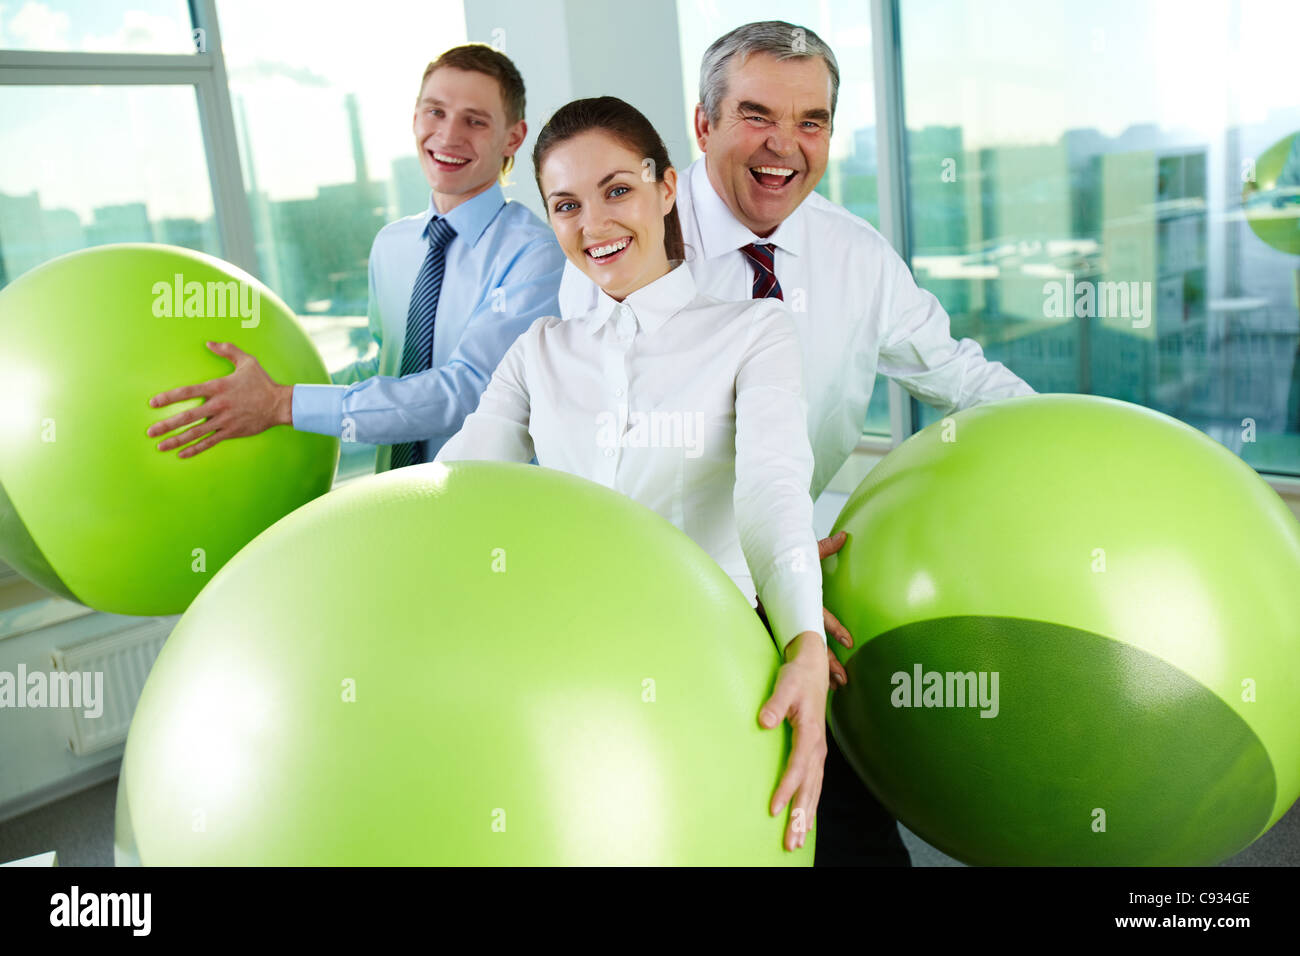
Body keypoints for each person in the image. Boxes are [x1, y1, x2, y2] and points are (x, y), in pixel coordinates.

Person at [557, 21, 1038, 866]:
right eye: (756, 115)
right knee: (693, 819)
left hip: (790, 570)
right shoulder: (620, 247)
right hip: (661, 590)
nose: (784, 145)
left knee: (845, 832)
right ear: (703, 125)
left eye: (810, 121)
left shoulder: (855, 256)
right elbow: (604, 465)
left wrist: (1082, 439)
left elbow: (958, 375)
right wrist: (752, 576)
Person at [435, 96, 830, 853]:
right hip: (569, 666)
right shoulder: (538, 350)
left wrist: (803, 642)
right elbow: (459, 486)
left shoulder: (754, 330)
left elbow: (772, 489)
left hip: (714, 658)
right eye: (567, 205)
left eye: (617, 190)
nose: (594, 225)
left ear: (666, 187)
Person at [147, 44, 565, 470]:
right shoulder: (392, 245)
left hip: (487, 498)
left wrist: (282, 403)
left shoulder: (535, 255)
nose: (448, 135)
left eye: (475, 121)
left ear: (513, 137)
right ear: (415, 117)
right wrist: (273, 390)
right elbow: (388, 369)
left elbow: (469, 394)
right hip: (394, 494)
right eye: (435, 112)